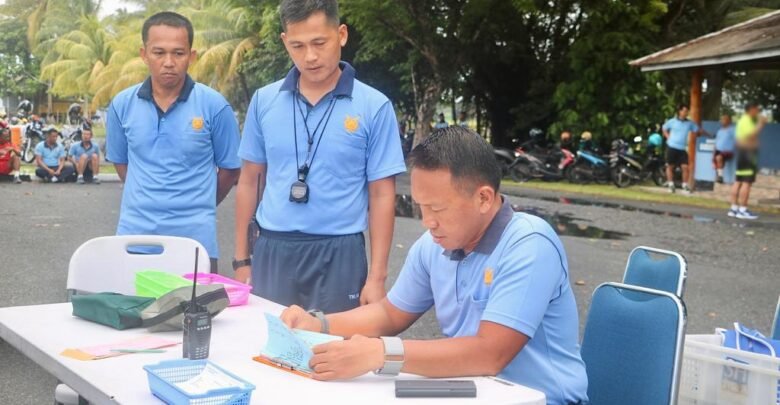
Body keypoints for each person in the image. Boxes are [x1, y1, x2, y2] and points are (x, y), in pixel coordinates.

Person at [281, 126, 588, 405]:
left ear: (484, 198)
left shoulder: (529, 243)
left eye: (438, 208)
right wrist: (320, 324)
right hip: (474, 391)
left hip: (542, 399)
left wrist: (380, 352)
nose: (428, 222)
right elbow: (389, 313)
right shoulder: (435, 244)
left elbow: (489, 353)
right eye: (421, 207)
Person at [235, 0, 406, 313]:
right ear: (285, 42)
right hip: (274, 248)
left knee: (335, 352)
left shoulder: (374, 106)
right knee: (266, 350)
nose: (310, 56)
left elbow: (382, 194)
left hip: (339, 251)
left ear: (341, 35)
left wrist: (377, 277)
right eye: (298, 45)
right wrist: (242, 259)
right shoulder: (264, 101)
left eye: (319, 43)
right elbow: (248, 181)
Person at [106, 11, 241, 272]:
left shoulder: (214, 106)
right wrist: (147, 195)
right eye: (159, 52)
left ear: (191, 56)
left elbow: (231, 168)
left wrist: (200, 203)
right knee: (134, 312)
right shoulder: (122, 104)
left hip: (195, 242)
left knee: (195, 313)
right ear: (144, 54)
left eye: (178, 53)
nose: (169, 62)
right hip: (135, 238)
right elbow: (121, 163)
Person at [729, 103, 766, 220]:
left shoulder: (742, 121)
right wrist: (761, 124)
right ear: (751, 109)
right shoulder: (746, 121)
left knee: (738, 181)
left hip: (742, 154)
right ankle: (742, 210)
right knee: (746, 183)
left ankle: (733, 209)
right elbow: (751, 136)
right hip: (747, 154)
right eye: (756, 110)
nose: (758, 112)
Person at [662, 104, 702, 193]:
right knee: (670, 166)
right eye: (684, 111)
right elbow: (664, 128)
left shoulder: (689, 123)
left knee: (685, 167)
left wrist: (701, 133)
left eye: (687, 111)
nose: (685, 113)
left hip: (682, 148)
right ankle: (671, 184)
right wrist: (668, 137)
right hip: (672, 146)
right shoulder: (672, 121)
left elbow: (697, 131)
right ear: (680, 111)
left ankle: (685, 185)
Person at [713, 114, 735, 184]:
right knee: (716, 160)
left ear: (729, 121)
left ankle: (720, 177)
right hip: (718, 150)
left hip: (728, 151)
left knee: (719, 157)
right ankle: (719, 177)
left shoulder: (733, 129)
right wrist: (713, 152)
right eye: (722, 119)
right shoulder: (720, 131)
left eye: (725, 119)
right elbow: (716, 142)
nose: (723, 121)